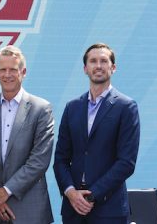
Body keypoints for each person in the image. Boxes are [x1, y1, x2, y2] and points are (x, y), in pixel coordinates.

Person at [54, 43, 141, 224]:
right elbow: (61, 159)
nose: (98, 66)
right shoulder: (72, 108)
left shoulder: (126, 107)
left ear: (113, 68)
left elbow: (126, 162)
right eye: (93, 61)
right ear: (86, 69)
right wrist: (70, 192)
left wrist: (92, 196)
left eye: (104, 61)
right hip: (73, 209)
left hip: (109, 209)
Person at [0, 45, 54, 223]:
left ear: (23, 72)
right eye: (2, 69)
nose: (7, 74)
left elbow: (39, 160)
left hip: (30, 210)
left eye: (13, 69)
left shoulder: (41, 109)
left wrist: (6, 191)